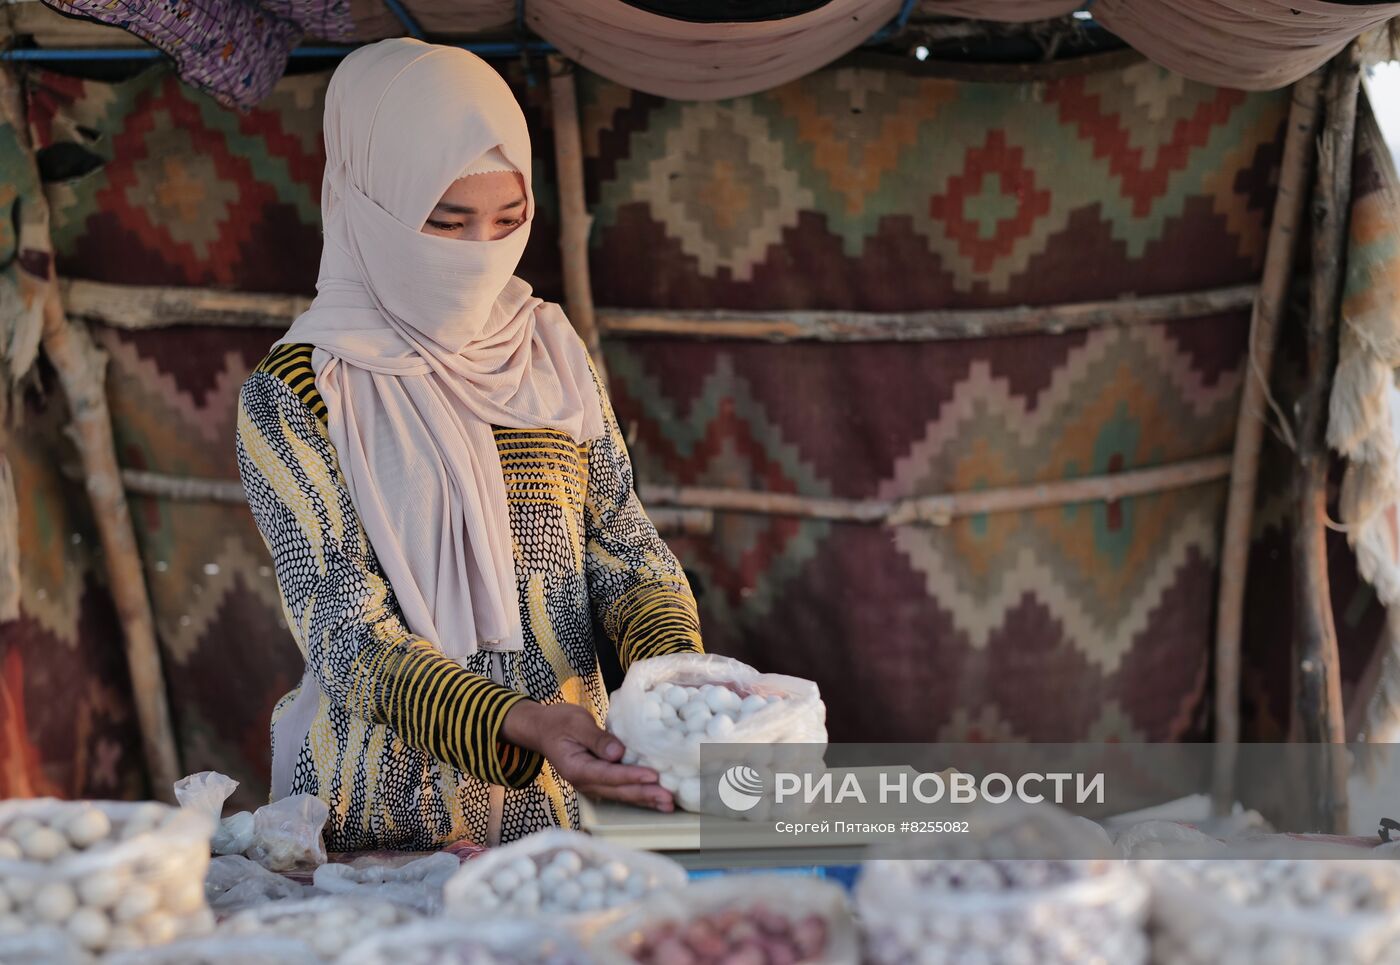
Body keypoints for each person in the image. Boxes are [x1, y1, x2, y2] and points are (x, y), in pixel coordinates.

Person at [235, 38, 703, 851]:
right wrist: (521, 722)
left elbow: (622, 544)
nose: (480, 256)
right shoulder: (300, 391)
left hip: (566, 794)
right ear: (367, 205)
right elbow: (349, 635)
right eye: (445, 225)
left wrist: (680, 679)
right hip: (379, 813)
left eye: (508, 221)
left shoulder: (547, 353)